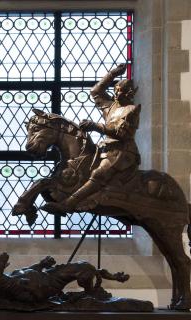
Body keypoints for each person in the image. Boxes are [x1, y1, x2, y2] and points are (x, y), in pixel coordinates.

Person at [44, 63, 141, 214]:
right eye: (115, 90)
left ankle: (68, 204)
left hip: (123, 152)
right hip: (105, 150)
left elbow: (123, 134)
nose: (116, 94)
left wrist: (96, 126)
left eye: (120, 91)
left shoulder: (132, 110)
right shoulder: (111, 106)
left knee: (99, 174)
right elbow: (96, 91)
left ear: (129, 93)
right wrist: (113, 74)